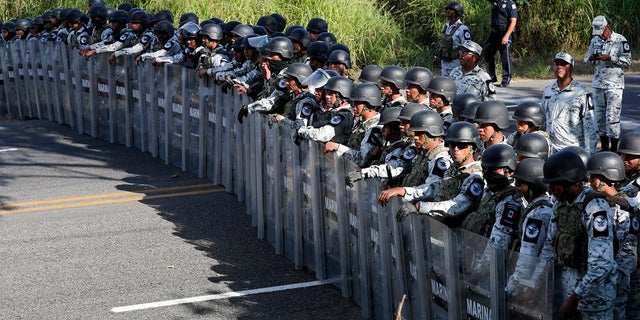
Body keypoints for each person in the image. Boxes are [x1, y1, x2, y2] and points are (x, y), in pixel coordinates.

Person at [539, 150, 617, 319]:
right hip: (569, 296)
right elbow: (549, 246)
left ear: (569, 182)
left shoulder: (595, 207)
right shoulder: (560, 206)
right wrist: (537, 282)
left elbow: (601, 262)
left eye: (555, 184)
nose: (551, 189)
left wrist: (576, 297)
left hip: (595, 302)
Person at [398, 121, 484, 227]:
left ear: (473, 148)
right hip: (439, 228)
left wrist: (420, 206)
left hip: (456, 234)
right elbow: (433, 188)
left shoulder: (476, 176)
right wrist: (405, 192)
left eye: (462, 145)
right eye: (452, 145)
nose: (456, 149)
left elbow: (456, 206)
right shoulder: (452, 169)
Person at [586, 152, 637, 320]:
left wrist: (617, 278)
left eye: (592, 177)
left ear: (601, 179)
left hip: (617, 278)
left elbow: (628, 250)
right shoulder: (601, 202)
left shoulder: (623, 207)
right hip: (602, 275)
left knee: (617, 313)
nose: (589, 181)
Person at [377, 110, 451, 206]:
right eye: (415, 134)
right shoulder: (422, 153)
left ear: (432, 134)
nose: (415, 138)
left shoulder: (441, 159)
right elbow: (407, 172)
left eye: (419, 134)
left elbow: (430, 189)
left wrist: (402, 190)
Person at [505, 158, 554, 301]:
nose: (516, 186)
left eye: (520, 183)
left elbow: (528, 259)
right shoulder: (545, 207)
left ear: (534, 185)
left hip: (530, 290)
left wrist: (511, 290)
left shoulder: (537, 215)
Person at [583, 15, 632, 152]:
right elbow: (586, 59)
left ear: (607, 27)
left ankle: (614, 149)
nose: (601, 36)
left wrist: (611, 58)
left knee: (612, 118)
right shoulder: (595, 40)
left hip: (614, 85)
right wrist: (591, 58)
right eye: (598, 33)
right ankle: (604, 148)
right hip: (598, 85)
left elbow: (627, 62)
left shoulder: (620, 40)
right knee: (599, 118)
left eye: (602, 32)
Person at [541, 52, 598, 153]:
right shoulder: (548, 90)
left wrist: (589, 153)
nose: (559, 67)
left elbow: (590, 127)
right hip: (550, 148)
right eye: (557, 64)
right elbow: (542, 118)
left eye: (563, 64)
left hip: (572, 150)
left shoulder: (581, 92)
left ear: (571, 68)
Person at [484, 0, 518, 87]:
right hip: (494, 33)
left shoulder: (510, 4)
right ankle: (491, 77)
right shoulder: (495, 2)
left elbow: (513, 21)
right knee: (487, 52)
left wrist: (506, 36)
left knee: (505, 57)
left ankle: (506, 80)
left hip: (505, 33)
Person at [433, 1, 471, 77]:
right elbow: (442, 43)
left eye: (451, 10)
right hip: (444, 63)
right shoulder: (445, 26)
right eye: (447, 9)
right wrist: (436, 57)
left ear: (457, 13)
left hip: (455, 64)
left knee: (454, 85)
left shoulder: (463, 29)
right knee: (444, 85)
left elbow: (467, 46)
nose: (448, 11)